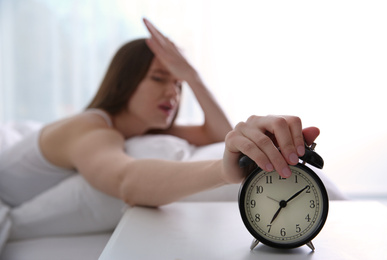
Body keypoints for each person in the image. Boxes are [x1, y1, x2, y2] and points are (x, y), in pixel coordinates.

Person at [0, 19, 319, 208]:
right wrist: (224, 172)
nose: (173, 93)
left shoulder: (142, 128)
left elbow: (217, 135)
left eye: (178, 85)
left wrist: (192, 75)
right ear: (124, 82)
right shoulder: (92, 129)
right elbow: (127, 181)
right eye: (158, 78)